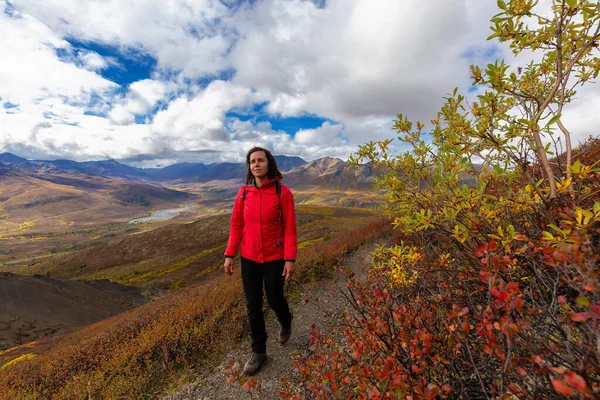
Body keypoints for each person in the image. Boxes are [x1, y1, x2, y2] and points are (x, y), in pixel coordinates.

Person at [223, 146, 297, 375]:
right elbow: (236, 225)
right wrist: (229, 254)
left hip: (275, 257)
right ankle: (259, 352)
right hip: (249, 257)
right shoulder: (244, 193)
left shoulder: (282, 193)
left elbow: (290, 230)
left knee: (275, 299)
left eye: (261, 160)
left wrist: (290, 258)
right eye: (253, 161)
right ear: (250, 166)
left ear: (269, 163)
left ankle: (286, 320)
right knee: (253, 305)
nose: (257, 164)